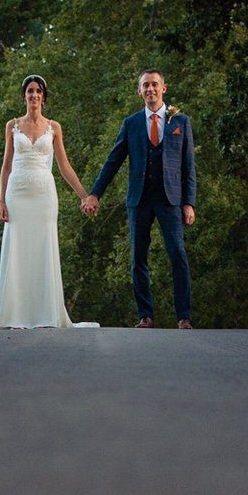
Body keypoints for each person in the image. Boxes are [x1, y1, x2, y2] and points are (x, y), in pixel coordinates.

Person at [83, 69, 196, 329]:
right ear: (139, 91)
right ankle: (145, 315)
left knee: (178, 254)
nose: (150, 89)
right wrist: (94, 193)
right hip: (139, 198)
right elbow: (113, 161)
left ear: (163, 88)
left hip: (171, 199)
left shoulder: (180, 122)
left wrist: (189, 202)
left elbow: (189, 166)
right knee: (138, 258)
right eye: (145, 85)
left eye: (154, 84)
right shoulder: (131, 123)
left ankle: (184, 316)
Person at [0, 75, 92, 330]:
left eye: (38, 91)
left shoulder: (54, 127)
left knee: (43, 249)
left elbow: (64, 166)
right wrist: (1, 200)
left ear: (44, 98)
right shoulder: (12, 125)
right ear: (24, 96)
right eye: (30, 91)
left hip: (44, 195)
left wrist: (84, 195)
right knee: (18, 251)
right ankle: (15, 316)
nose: (34, 95)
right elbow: (6, 166)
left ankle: (46, 315)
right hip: (18, 194)